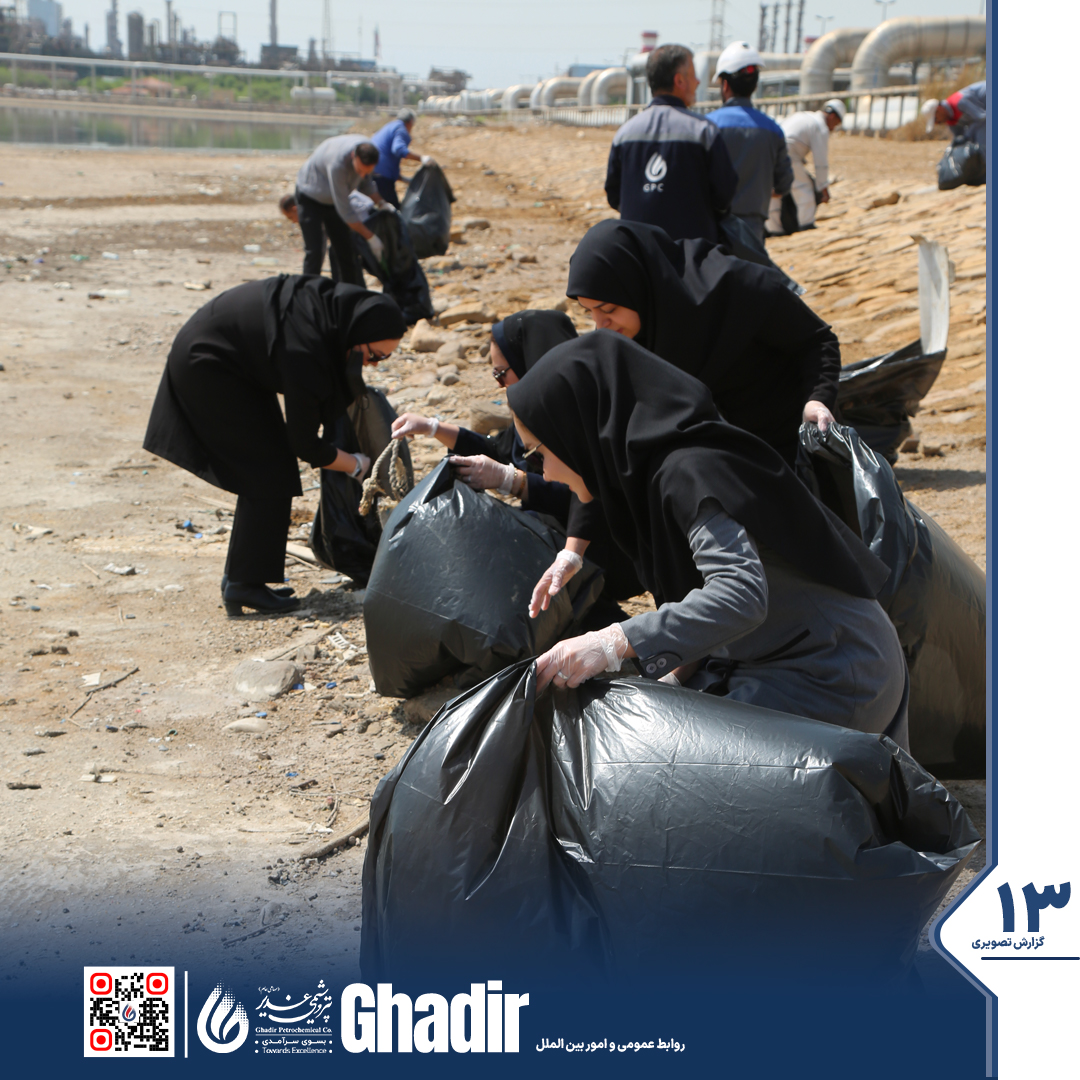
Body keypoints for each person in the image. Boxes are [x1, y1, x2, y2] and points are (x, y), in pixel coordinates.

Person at [506, 333, 909, 748]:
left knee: (667, 764)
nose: (545, 473)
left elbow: (740, 596)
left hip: (833, 672)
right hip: (782, 657)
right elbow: (702, 604)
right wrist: (669, 681)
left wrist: (610, 642)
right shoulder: (653, 472)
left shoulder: (689, 472)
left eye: (540, 453)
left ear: (577, 431)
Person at [143, 275, 406, 616]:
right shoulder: (306, 350)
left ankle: (240, 579)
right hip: (208, 367)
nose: (372, 365)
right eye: (374, 356)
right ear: (356, 334)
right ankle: (244, 585)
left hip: (232, 362)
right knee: (268, 468)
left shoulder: (328, 314)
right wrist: (356, 465)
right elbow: (304, 443)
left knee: (268, 465)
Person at [390, 310, 643, 603]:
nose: (499, 384)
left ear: (530, 360)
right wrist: (433, 427)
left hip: (601, 548)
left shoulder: (579, 411)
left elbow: (587, 495)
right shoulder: (535, 405)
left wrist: (513, 481)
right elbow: (500, 449)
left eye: (501, 373)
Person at [566, 219, 839, 465]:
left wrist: (817, 399)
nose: (600, 325)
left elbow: (816, 340)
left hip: (786, 448)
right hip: (714, 463)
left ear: (638, 286)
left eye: (609, 309)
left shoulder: (735, 287)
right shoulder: (634, 332)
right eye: (589, 312)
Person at [604, 43, 738, 243]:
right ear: (679, 80)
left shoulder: (624, 133)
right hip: (692, 254)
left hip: (638, 251)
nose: (698, 82)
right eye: (693, 75)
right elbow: (724, 195)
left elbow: (614, 195)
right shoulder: (704, 131)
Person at [705, 41, 793, 244]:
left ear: (725, 85)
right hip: (752, 232)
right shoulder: (773, 130)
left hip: (711, 228)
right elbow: (784, 183)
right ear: (754, 86)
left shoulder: (705, 127)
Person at [294, 135, 386, 285]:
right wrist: (371, 237)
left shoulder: (368, 152)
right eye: (359, 170)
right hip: (311, 196)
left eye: (366, 172)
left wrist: (382, 203)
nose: (362, 175)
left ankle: (349, 293)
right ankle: (308, 294)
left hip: (333, 200)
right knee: (315, 251)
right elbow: (346, 212)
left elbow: (367, 184)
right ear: (353, 156)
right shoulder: (337, 165)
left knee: (345, 250)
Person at [766, 99, 846, 235]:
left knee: (775, 189)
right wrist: (823, 187)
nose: (833, 128)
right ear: (832, 117)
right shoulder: (820, 126)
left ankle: (774, 229)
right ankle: (806, 224)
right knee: (803, 188)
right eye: (836, 124)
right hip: (787, 153)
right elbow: (820, 162)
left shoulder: (803, 116)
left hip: (770, 149)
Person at [921, 81, 986, 190]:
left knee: (981, 139)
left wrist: (970, 135)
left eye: (936, 119)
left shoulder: (960, 102)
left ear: (939, 110)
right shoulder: (951, 120)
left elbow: (982, 118)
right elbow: (960, 139)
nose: (937, 123)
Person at [370, 108, 434, 208]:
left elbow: (390, 159)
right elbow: (398, 149)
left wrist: (403, 179)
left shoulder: (391, 126)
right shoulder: (401, 129)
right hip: (381, 175)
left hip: (370, 171)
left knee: (376, 206)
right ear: (411, 122)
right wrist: (422, 158)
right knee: (393, 209)